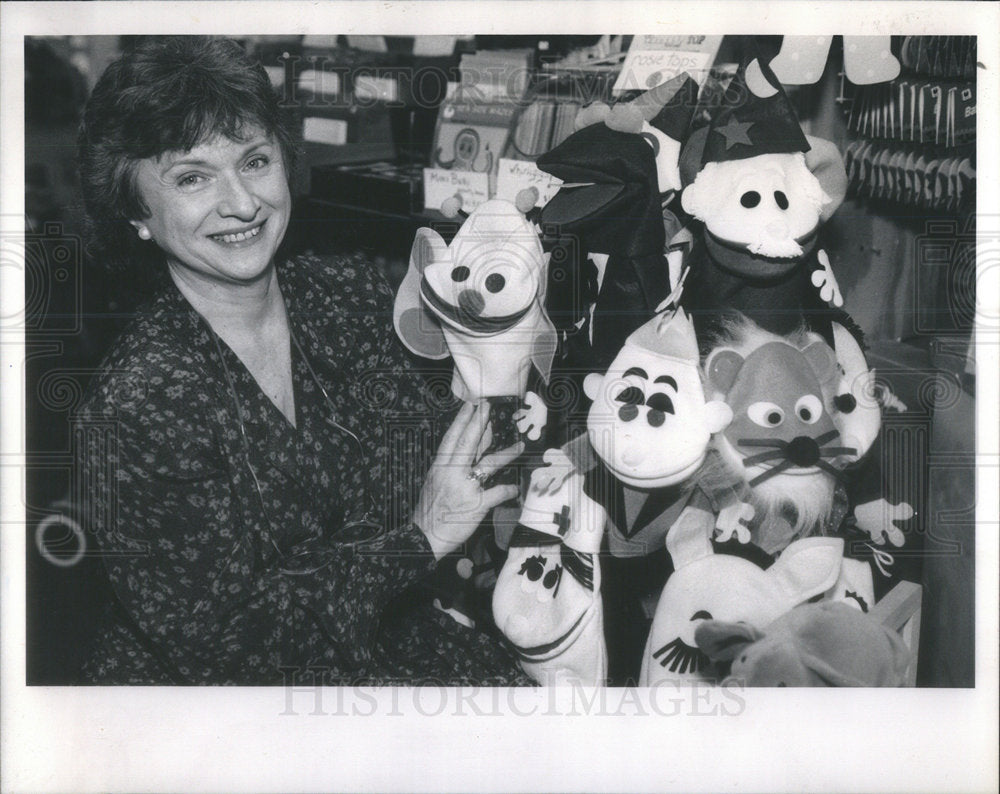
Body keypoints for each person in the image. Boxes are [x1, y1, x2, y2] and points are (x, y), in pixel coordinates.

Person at [74, 36, 527, 685]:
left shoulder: (347, 297)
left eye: (254, 160)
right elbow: (228, 646)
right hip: (221, 694)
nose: (241, 202)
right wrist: (418, 539)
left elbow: (455, 447)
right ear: (133, 208)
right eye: (193, 177)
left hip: (378, 626)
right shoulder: (138, 402)